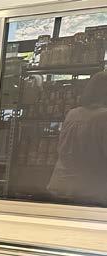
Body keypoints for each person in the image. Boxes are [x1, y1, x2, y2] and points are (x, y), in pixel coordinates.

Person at [47, 70, 107, 206]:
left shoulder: (72, 114)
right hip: (90, 190)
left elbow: (61, 149)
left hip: (61, 184)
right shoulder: (103, 117)